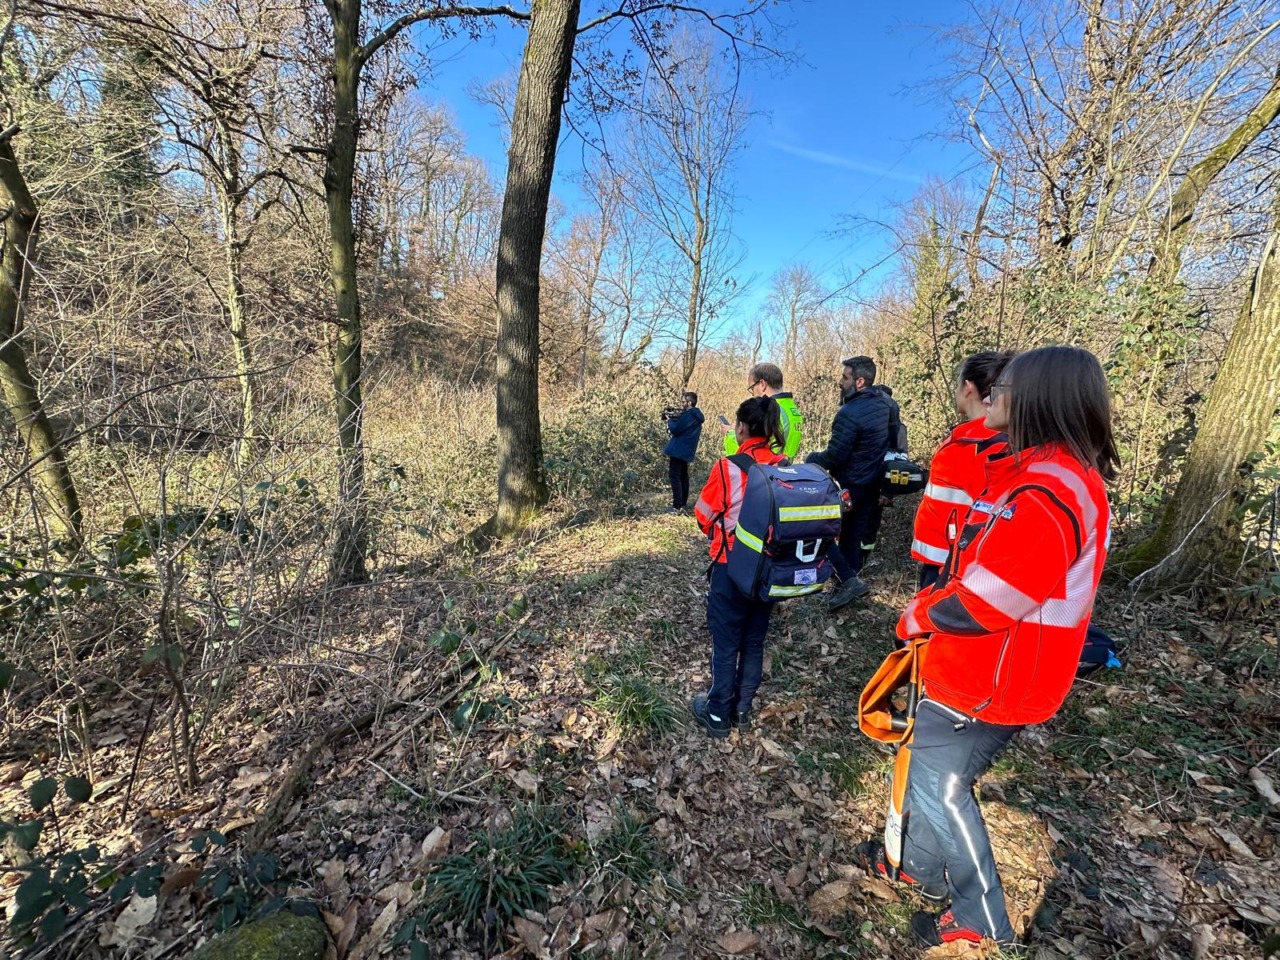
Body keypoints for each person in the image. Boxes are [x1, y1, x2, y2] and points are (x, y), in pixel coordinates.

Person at [859, 345, 1119, 950]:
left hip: (996, 676)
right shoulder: (1042, 475)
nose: (992, 395)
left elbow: (989, 600)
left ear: (1036, 399)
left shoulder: (1049, 492)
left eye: (1006, 387)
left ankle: (982, 916)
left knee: (944, 787)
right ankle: (917, 870)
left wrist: (920, 612)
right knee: (927, 769)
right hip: (985, 668)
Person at [690, 396, 788, 738]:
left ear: (742, 427)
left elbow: (703, 514)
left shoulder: (726, 467)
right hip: (769, 571)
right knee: (755, 640)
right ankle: (743, 710)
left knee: (726, 641)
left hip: (730, 567)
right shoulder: (784, 465)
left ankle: (717, 714)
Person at [910, 351, 1015, 589]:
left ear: (968, 387)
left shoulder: (977, 445)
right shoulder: (980, 440)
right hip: (950, 563)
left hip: (952, 571)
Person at [805, 356, 895, 609]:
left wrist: (812, 458)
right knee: (851, 538)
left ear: (860, 381)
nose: (840, 382)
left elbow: (835, 455)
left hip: (850, 486)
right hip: (872, 486)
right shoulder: (885, 405)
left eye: (845, 377)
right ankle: (846, 587)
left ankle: (846, 580)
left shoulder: (850, 412)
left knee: (818, 529)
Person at [722, 362, 805, 459]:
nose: (752, 394)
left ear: (762, 384)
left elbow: (745, 458)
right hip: (784, 470)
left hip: (765, 471)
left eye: (752, 388)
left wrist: (731, 434)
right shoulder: (792, 409)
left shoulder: (769, 412)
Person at [662, 391, 704, 513]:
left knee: (675, 476)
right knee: (683, 476)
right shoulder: (696, 416)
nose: (682, 404)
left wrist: (669, 420)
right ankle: (682, 504)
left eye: (683, 402)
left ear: (689, 402)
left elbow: (676, 429)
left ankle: (677, 506)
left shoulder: (689, 415)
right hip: (686, 449)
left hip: (679, 450)